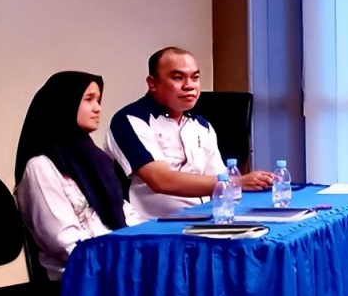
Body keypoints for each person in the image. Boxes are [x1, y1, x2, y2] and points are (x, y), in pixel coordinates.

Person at [107, 46, 273, 220]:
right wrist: (237, 182)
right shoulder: (130, 120)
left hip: (205, 218)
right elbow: (161, 180)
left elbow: (220, 178)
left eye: (195, 77)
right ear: (152, 83)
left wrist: (260, 184)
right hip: (153, 225)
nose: (189, 86)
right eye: (178, 78)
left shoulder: (201, 125)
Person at [15, 71, 141, 280]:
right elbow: (63, 242)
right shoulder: (40, 167)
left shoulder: (96, 160)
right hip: (80, 278)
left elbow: (126, 215)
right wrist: (121, 260)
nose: (98, 108)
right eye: (89, 99)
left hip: (119, 264)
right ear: (65, 103)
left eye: (98, 100)